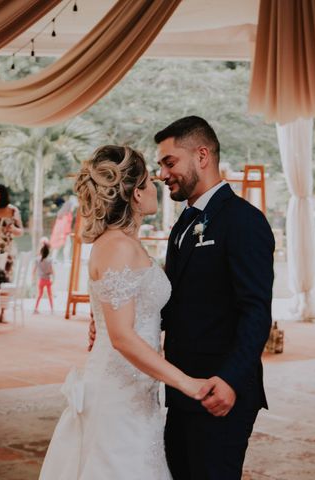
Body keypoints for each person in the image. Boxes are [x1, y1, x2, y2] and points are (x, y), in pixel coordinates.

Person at [90, 116, 275, 478]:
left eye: (169, 162)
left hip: (219, 393)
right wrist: (113, 314)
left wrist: (232, 379)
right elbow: (173, 302)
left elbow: (256, 311)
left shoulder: (243, 221)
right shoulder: (183, 224)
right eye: (159, 165)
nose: (161, 173)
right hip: (180, 390)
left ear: (202, 156)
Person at [39, 145, 208, 479]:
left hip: (137, 391)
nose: (157, 182)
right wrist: (187, 383)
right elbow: (122, 337)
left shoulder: (125, 243)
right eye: (148, 179)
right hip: (118, 392)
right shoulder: (117, 245)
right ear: (134, 193)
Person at [33, 240, 54, 314]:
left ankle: (36, 308)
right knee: (50, 295)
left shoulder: (37, 260)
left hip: (41, 280)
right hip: (48, 280)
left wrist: (33, 278)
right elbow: (52, 271)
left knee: (39, 295)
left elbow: (34, 270)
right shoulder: (50, 260)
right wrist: (53, 278)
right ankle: (52, 309)